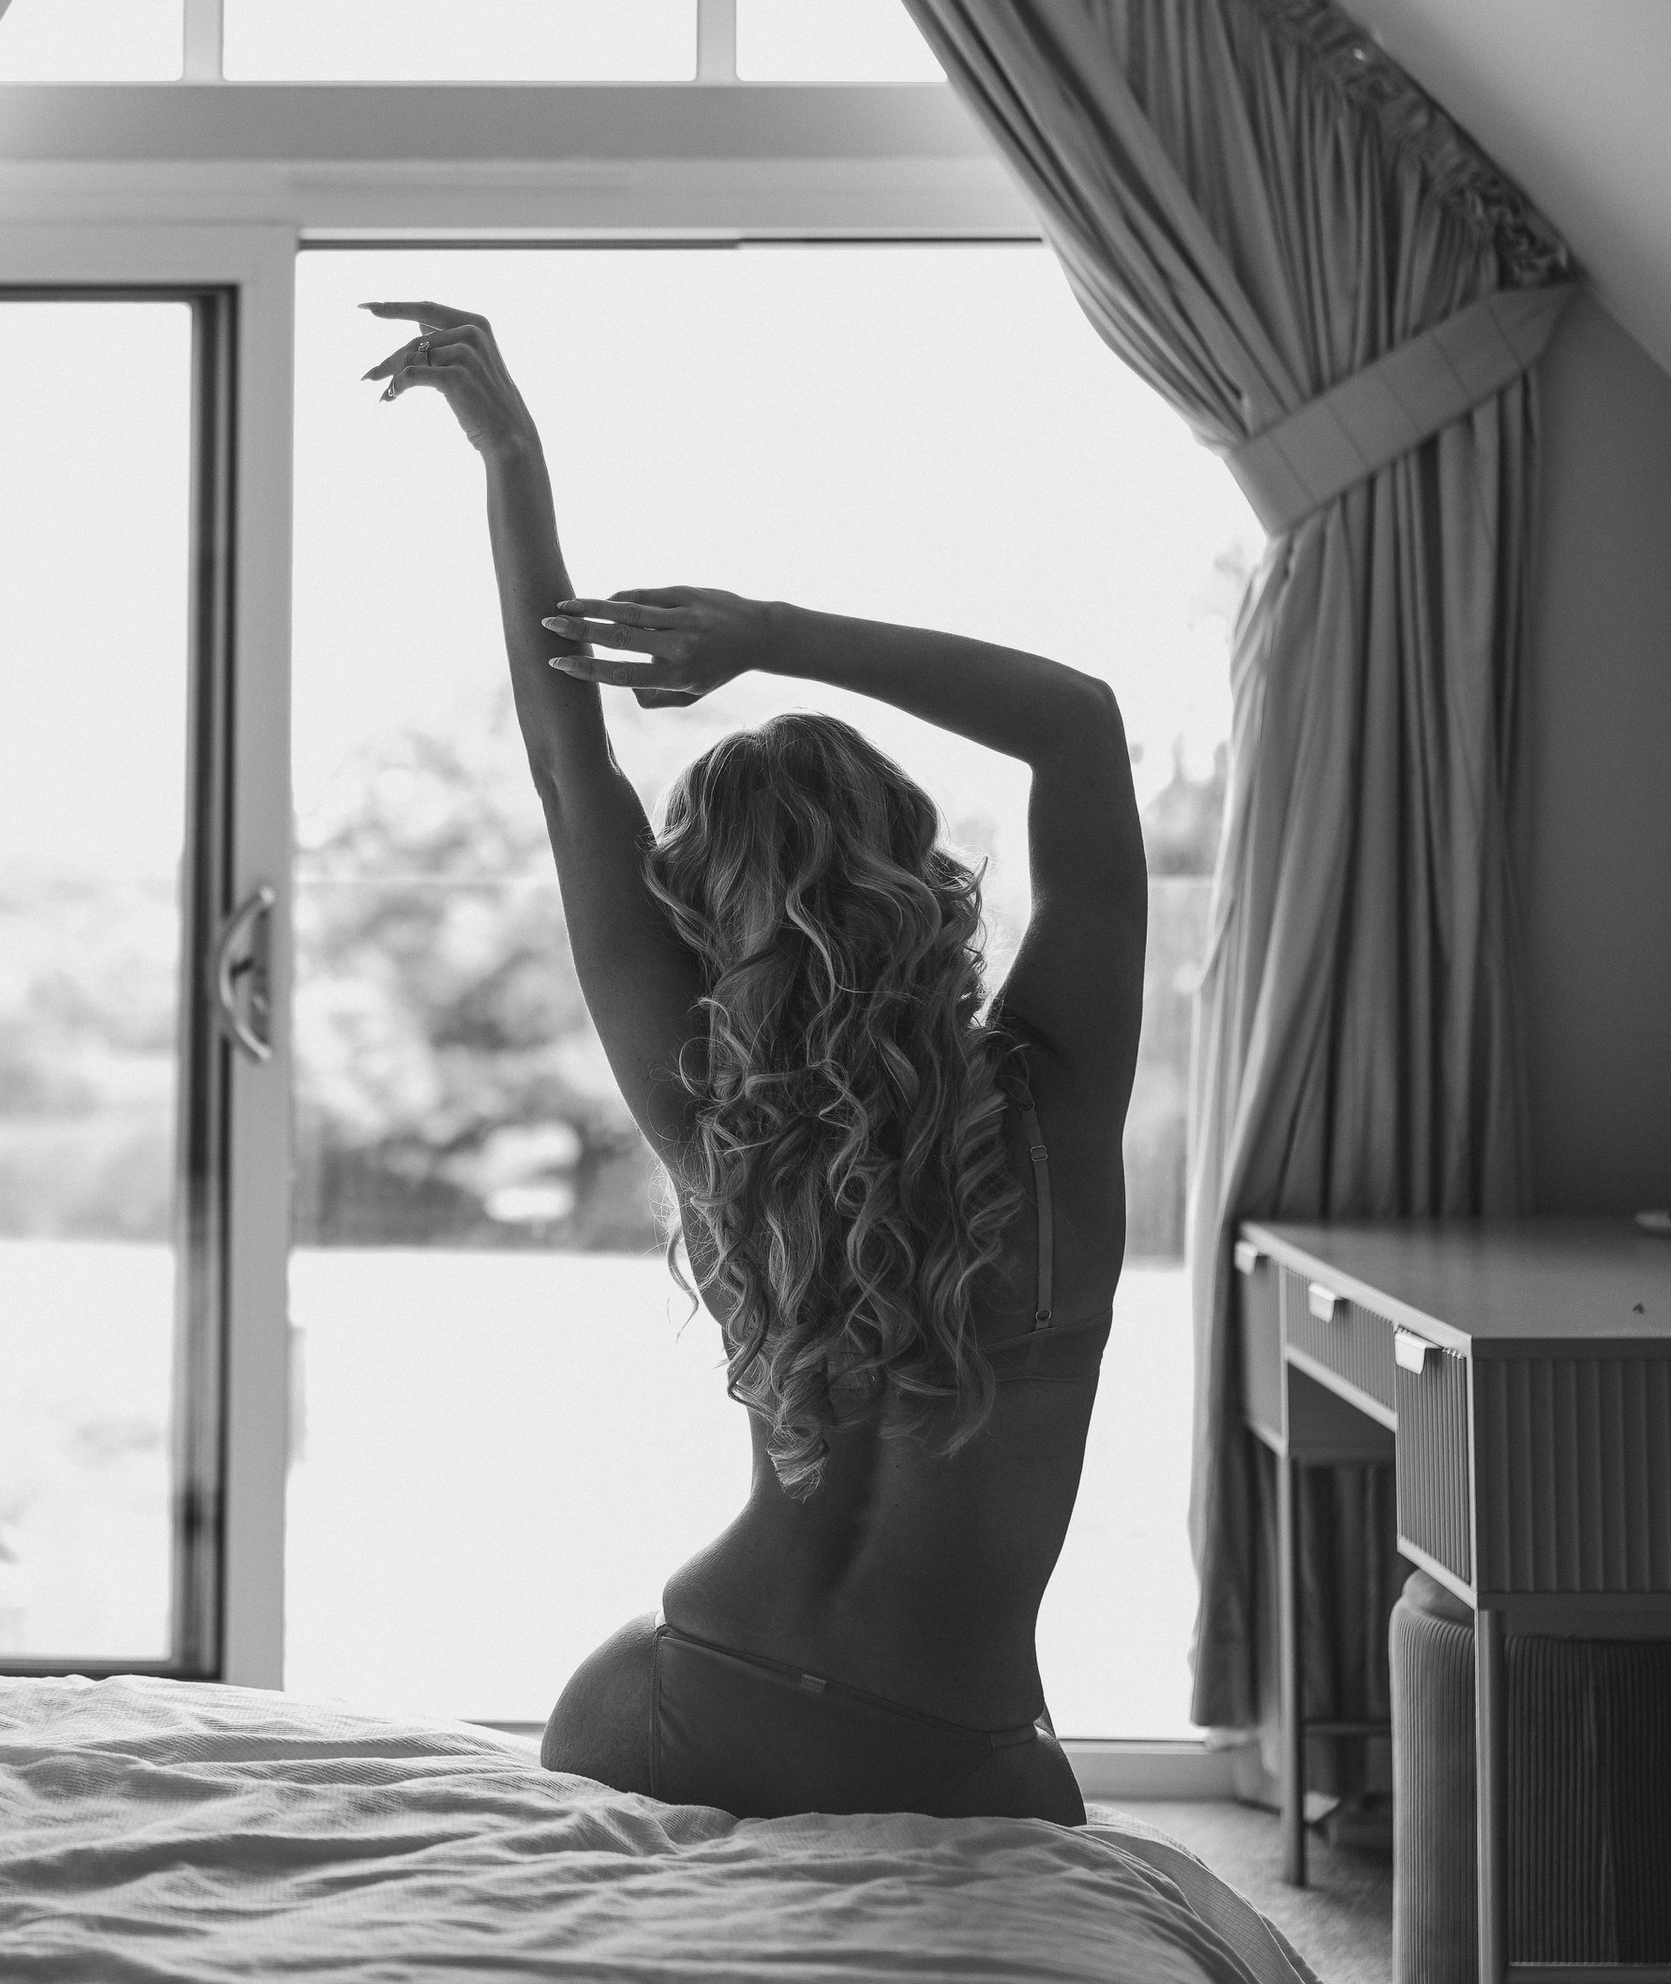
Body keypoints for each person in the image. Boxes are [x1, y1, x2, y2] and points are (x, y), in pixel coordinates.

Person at [364, 297, 1143, 1825]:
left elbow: (563, 759)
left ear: (699, 917)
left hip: (679, 1688)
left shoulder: (714, 1119)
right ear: (919, 876)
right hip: (956, 1746)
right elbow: (1079, 728)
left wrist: (508, 452)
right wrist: (774, 637)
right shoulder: (1053, 1103)